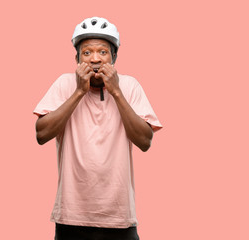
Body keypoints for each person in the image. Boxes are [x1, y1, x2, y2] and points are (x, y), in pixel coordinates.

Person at [33, 16, 162, 240]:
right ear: (76, 58)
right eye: (87, 52)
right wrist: (79, 92)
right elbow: (41, 134)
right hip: (71, 217)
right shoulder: (64, 84)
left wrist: (116, 92)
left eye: (103, 52)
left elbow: (145, 141)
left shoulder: (130, 86)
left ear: (114, 57)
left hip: (119, 218)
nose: (95, 59)